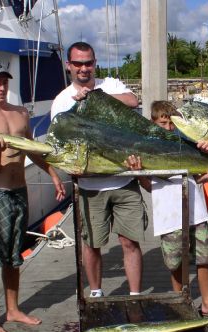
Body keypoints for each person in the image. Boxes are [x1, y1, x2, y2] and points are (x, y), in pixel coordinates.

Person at [0, 60, 66, 332]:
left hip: (19, 192)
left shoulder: (21, 114)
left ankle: (12, 309)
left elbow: (33, 150)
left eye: (4, 81)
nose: (1, 87)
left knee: (13, 257)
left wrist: (53, 173)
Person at [51, 42, 142, 297]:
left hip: (124, 180)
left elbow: (133, 101)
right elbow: (59, 144)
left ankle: (134, 295)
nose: (83, 68)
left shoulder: (109, 85)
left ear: (95, 63)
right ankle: (96, 293)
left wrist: (95, 98)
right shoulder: (61, 101)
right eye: (78, 63)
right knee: (91, 244)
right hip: (89, 186)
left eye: (88, 63)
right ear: (68, 65)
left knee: (129, 242)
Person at [126, 101, 208, 317]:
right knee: (175, 261)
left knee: (204, 257)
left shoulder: (187, 143)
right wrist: (138, 172)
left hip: (196, 211)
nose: (169, 127)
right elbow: (148, 187)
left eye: (172, 123)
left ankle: (207, 303)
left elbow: (200, 177)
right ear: (153, 123)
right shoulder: (146, 148)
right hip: (168, 214)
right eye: (163, 123)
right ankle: (181, 300)